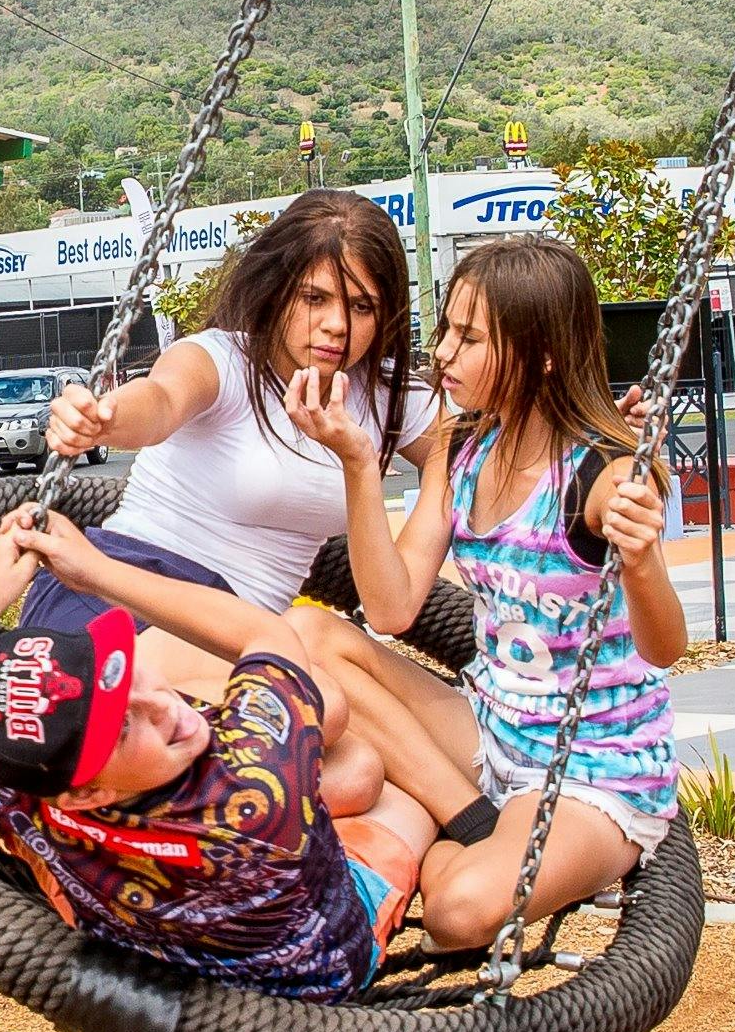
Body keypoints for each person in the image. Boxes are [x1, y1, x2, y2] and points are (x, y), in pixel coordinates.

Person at [278, 232, 684, 949]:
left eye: (469, 339)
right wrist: (359, 466)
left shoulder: (604, 476)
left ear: (543, 353)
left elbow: (666, 649)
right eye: (446, 331)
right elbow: (392, 608)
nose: (443, 354)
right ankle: (466, 818)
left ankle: (449, 836)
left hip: (589, 766)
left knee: (458, 911)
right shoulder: (464, 442)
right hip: (487, 726)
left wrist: (644, 559)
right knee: (309, 637)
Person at [0, 510, 442, 1000]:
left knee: (333, 751)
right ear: (87, 792)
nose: (163, 706)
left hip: (133, 913)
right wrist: (96, 571)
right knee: (371, 771)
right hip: (312, 967)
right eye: (122, 726)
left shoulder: (17, 774)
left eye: (122, 673)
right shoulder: (253, 775)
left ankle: (57, 844)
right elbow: (269, 636)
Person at [32, 189, 437, 634]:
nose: (337, 325)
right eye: (314, 298)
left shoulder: (388, 395)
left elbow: (469, 453)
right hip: (124, 585)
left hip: (235, 634)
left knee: (316, 655)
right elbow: (162, 400)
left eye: (362, 306)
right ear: (277, 292)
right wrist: (103, 417)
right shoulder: (222, 360)